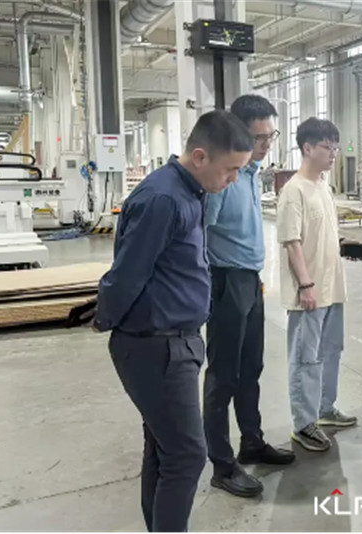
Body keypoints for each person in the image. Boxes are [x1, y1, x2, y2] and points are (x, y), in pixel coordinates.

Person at [93, 110, 254, 532]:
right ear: (200, 156)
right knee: (186, 455)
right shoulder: (163, 199)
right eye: (230, 169)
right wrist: (108, 321)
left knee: (164, 449)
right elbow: (127, 275)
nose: (233, 179)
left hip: (176, 339)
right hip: (155, 345)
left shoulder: (189, 192)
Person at [203, 95, 293, 500]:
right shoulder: (225, 179)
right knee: (223, 375)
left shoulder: (252, 174)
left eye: (271, 136)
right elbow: (200, 235)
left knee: (250, 368)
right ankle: (222, 466)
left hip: (250, 281)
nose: (266, 144)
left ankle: (252, 441)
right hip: (225, 281)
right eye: (259, 137)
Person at [276, 117, 357, 453]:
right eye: (327, 147)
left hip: (332, 287)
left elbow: (322, 234)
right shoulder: (293, 191)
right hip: (309, 292)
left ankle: (324, 408)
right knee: (305, 359)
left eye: (335, 147)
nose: (333, 153)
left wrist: (344, 247)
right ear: (307, 148)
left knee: (330, 351)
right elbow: (291, 242)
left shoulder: (323, 186)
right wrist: (306, 284)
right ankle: (303, 423)